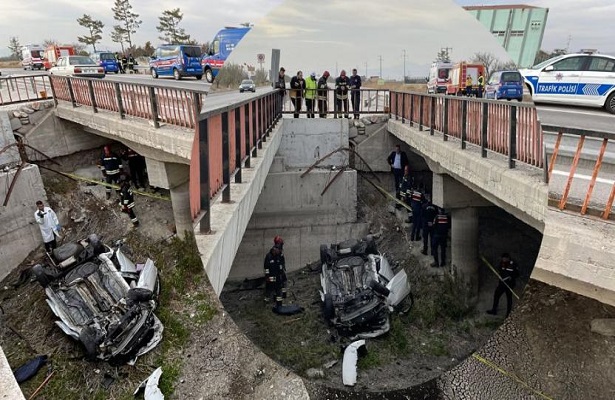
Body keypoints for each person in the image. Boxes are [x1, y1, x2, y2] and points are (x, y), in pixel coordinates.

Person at [263, 236, 287, 310]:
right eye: (278, 251)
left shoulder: (279, 256)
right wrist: (267, 276)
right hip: (271, 276)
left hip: (278, 275)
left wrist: (282, 271)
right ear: (274, 250)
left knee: (280, 287)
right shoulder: (269, 257)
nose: (279, 252)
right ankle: (267, 300)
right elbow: (266, 267)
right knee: (270, 288)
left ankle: (279, 303)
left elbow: (281, 264)